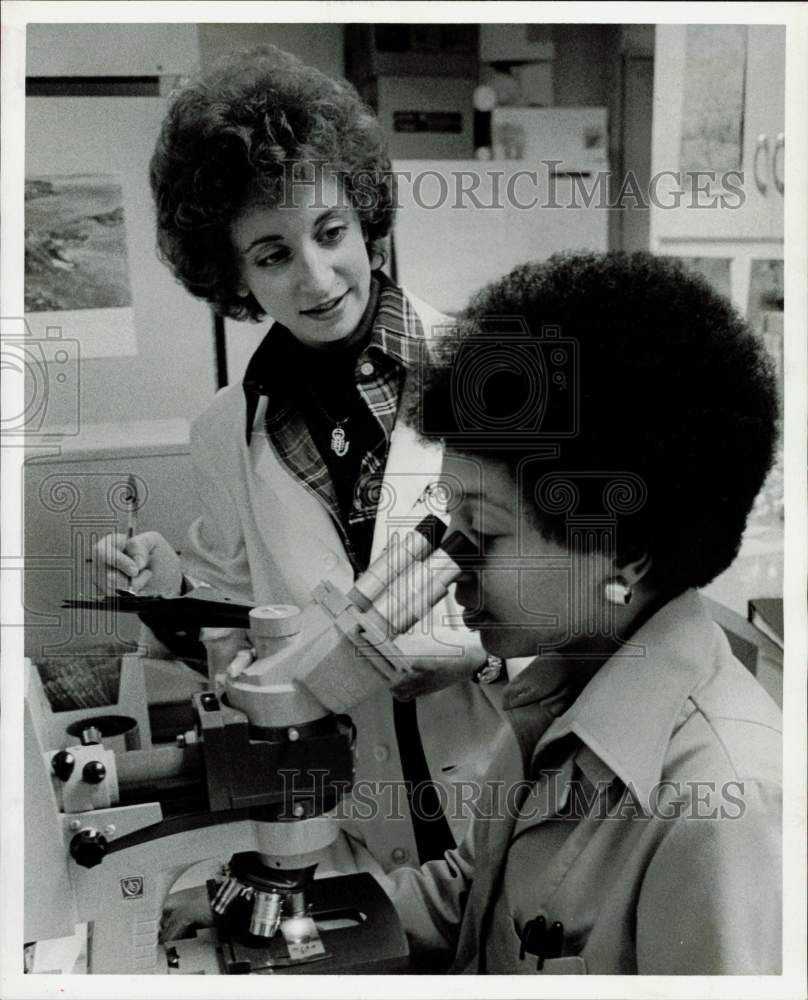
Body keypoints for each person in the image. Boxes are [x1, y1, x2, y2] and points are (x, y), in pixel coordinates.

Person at [92, 45, 506, 908]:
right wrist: (170, 591)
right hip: (347, 814)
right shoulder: (221, 433)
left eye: (329, 234)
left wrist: (473, 653)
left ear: (364, 219)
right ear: (233, 274)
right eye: (273, 254)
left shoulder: (495, 371)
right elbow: (237, 626)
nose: (318, 279)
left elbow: (586, 591)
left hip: (504, 790)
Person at [377, 250, 782, 974]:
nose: (450, 573)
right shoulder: (553, 695)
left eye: (486, 532)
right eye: (451, 527)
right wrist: (295, 918)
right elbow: (473, 898)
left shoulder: (719, 810)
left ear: (624, 549)